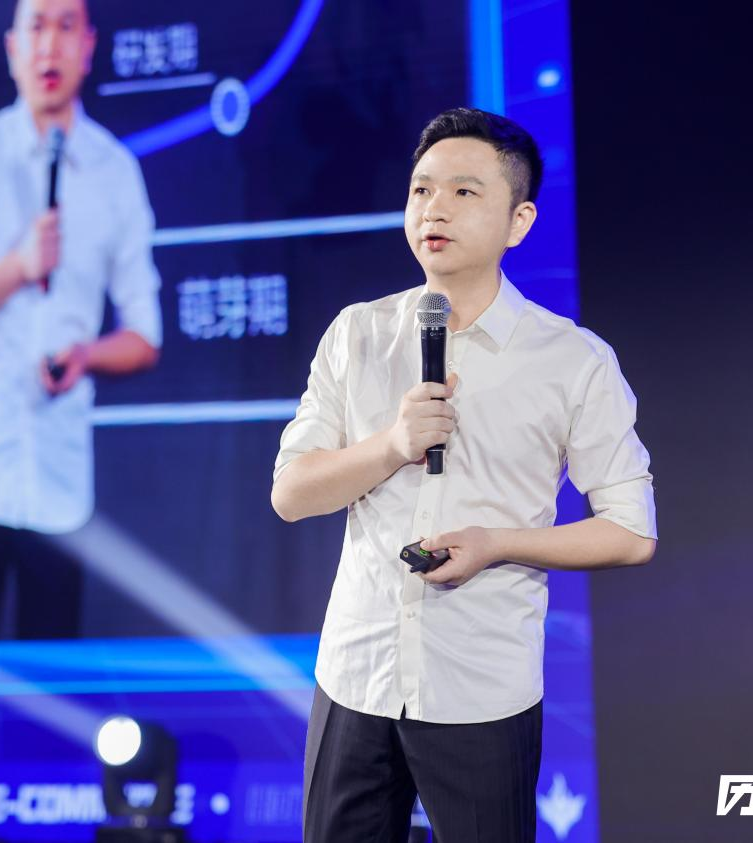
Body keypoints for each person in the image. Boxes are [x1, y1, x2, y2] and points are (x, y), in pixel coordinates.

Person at [272, 107, 658, 842]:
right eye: (421, 189)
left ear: (519, 221)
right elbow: (291, 494)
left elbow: (631, 532)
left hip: (481, 686)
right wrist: (392, 444)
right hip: (355, 673)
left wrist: (497, 543)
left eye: (463, 191)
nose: (433, 209)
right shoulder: (357, 333)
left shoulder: (571, 360)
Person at [0, 0, 161, 640]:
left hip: (60, 479)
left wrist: (85, 357)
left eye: (65, 26)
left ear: (88, 46)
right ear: (12, 48)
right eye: (36, 26)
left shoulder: (115, 172)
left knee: (54, 677)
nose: (49, 44)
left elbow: (145, 337)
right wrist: (19, 266)